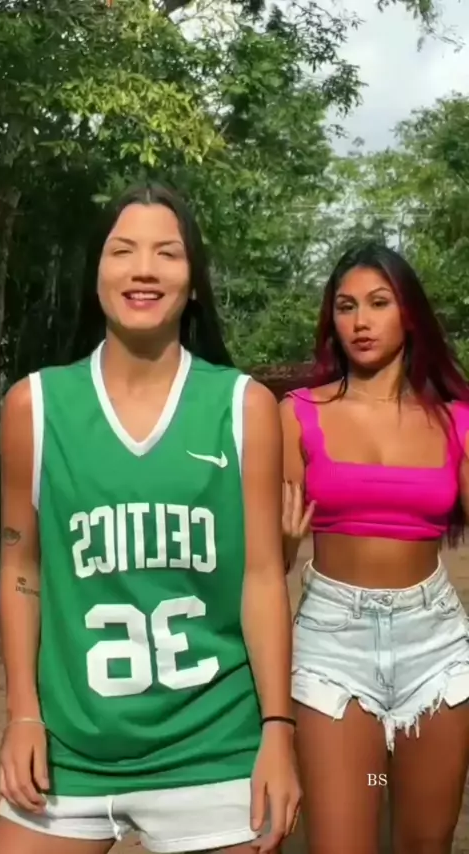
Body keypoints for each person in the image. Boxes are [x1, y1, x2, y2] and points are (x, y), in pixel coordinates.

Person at [0, 183, 300, 854]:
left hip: (213, 748)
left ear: (194, 281)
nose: (144, 270)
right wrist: (22, 716)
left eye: (168, 253)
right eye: (123, 250)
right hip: (69, 753)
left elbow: (262, 579)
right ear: (96, 272)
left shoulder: (243, 407)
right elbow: (21, 568)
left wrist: (279, 729)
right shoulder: (33, 408)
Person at [280, 243, 469, 854]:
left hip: (435, 644)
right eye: (346, 307)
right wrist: (283, 542)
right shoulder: (296, 414)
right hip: (332, 644)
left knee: (425, 843)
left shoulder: (457, 421)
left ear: (408, 314)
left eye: (378, 303)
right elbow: (266, 564)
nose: (361, 321)